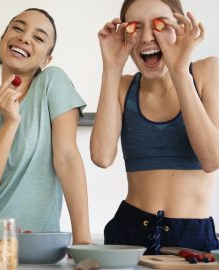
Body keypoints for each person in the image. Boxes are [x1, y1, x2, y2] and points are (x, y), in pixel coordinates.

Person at [0, 8, 91, 244]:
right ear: (2, 40)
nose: (24, 37)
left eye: (38, 37)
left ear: (46, 59)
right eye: (17, 28)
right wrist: (10, 123)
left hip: (39, 246)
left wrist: (83, 241)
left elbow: (67, 158)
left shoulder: (52, 82)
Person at [90, 0, 219, 254]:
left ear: (180, 26)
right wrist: (111, 67)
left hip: (193, 237)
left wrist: (179, 69)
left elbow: (212, 158)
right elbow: (102, 157)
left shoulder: (207, 71)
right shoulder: (123, 87)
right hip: (129, 231)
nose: (147, 36)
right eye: (135, 27)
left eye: (159, 24)